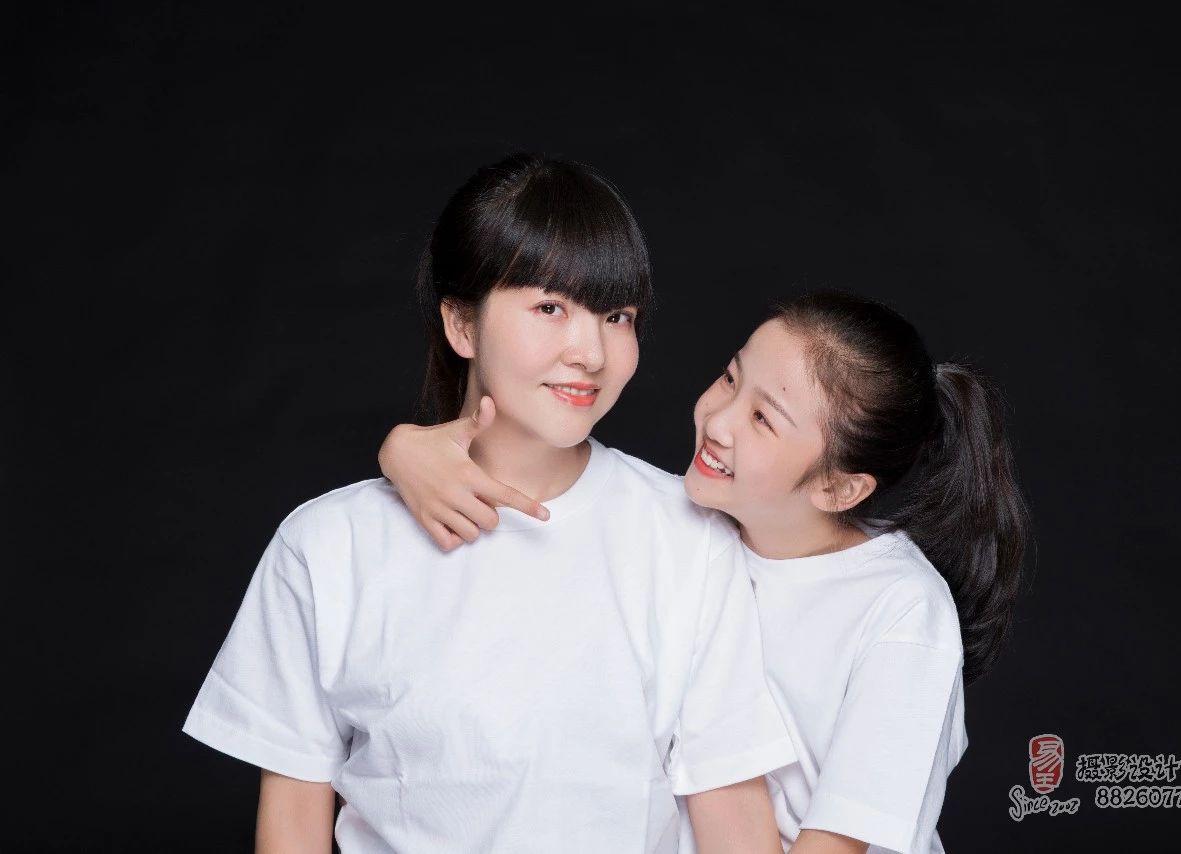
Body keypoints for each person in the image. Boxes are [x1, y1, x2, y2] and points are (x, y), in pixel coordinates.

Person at [183, 153, 796, 853]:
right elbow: (293, 818)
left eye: (616, 315)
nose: (591, 353)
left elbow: (730, 808)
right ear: (462, 326)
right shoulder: (328, 546)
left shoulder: (688, 538)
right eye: (549, 308)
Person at [379, 290, 1030, 853]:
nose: (718, 420)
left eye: (762, 419)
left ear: (838, 487)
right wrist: (401, 450)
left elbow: (839, 840)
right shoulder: (689, 528)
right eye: (729, 378)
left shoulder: (901, 612)